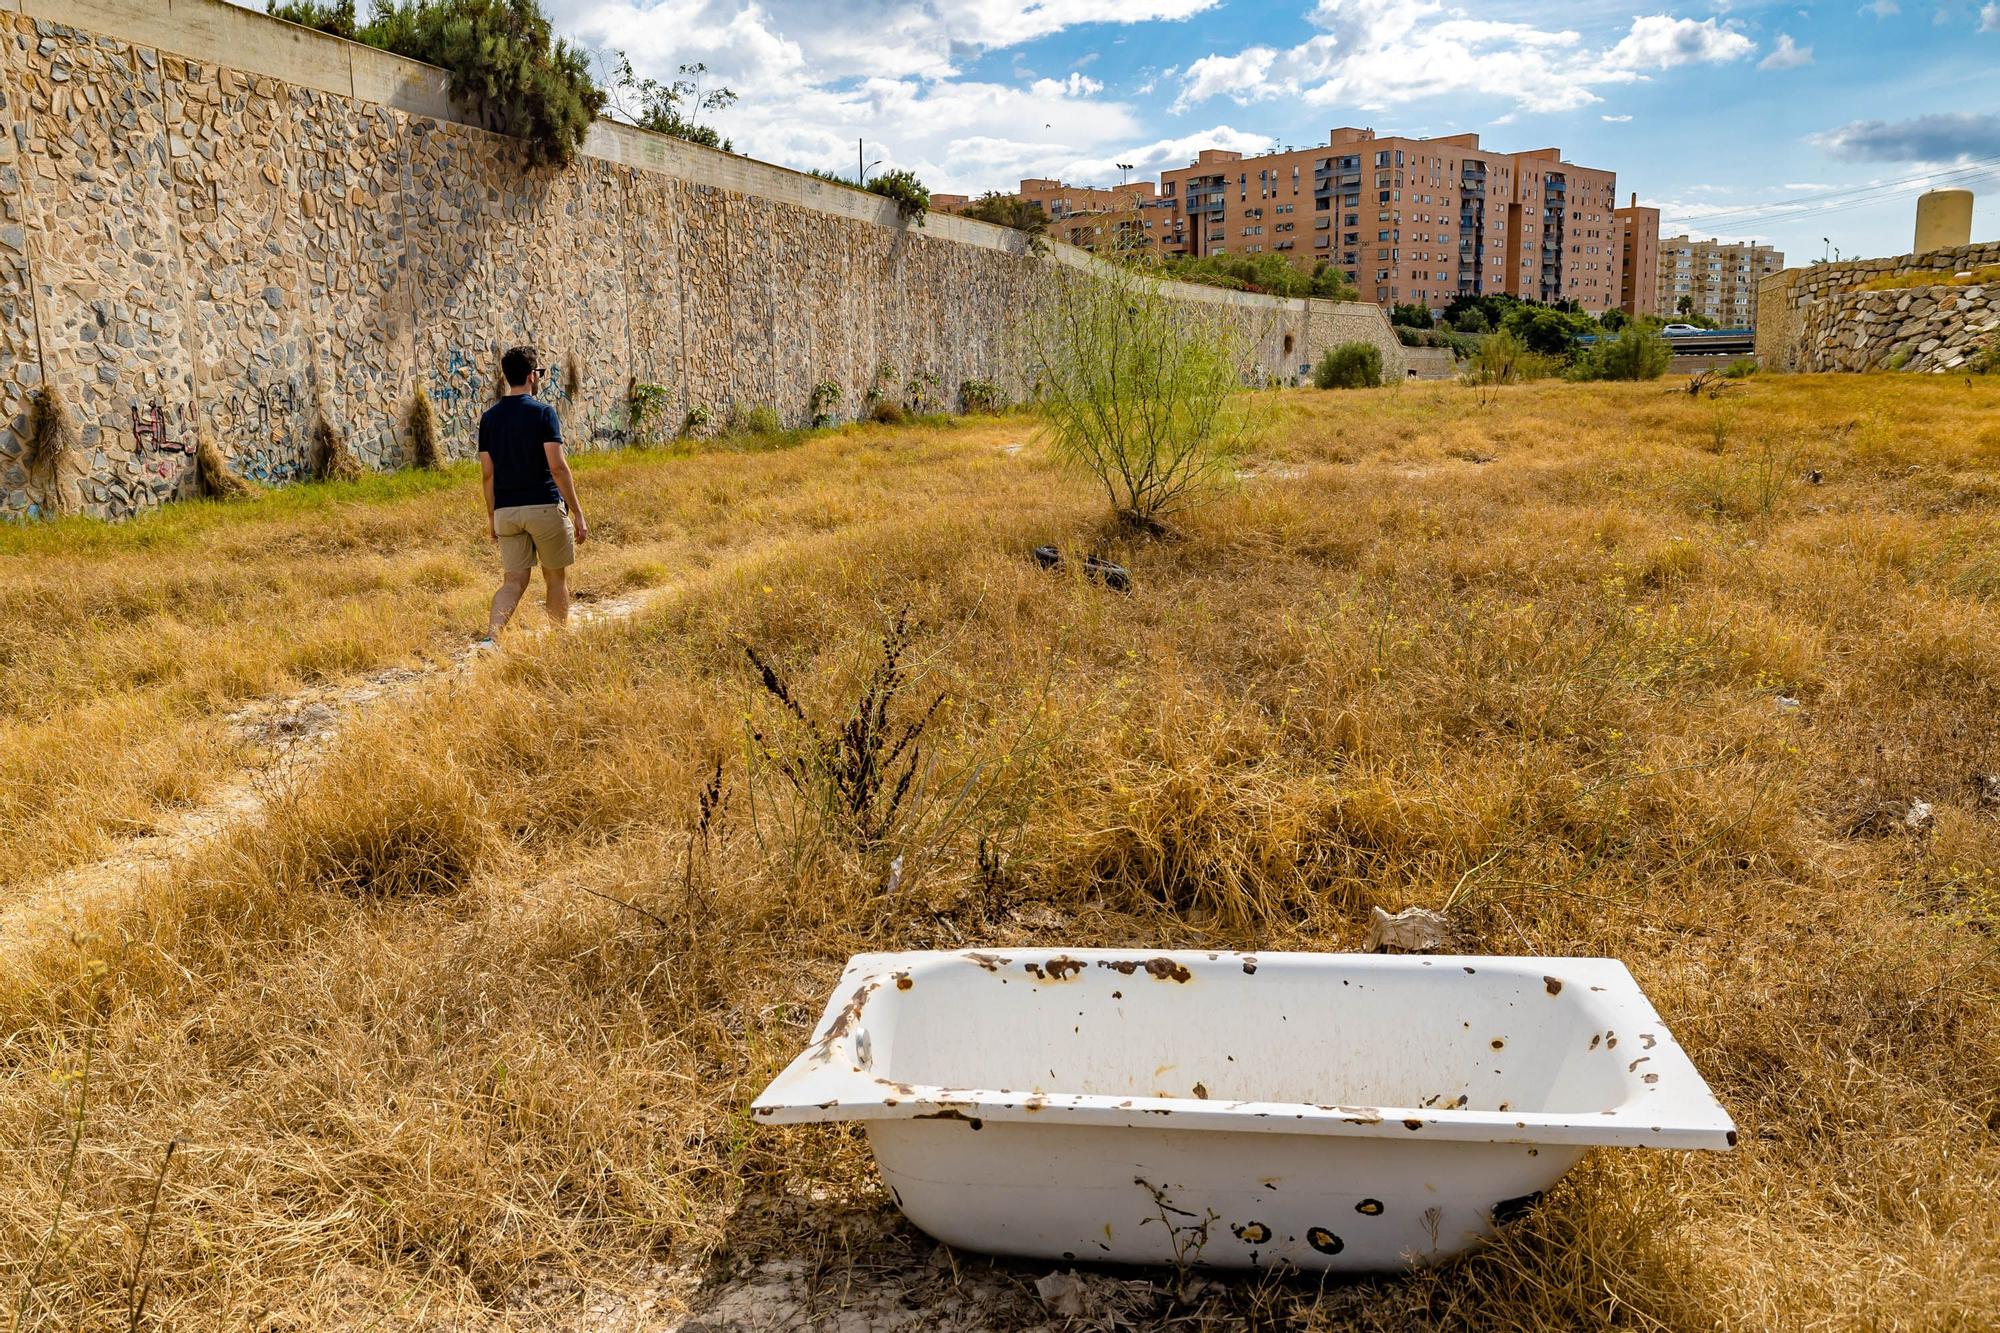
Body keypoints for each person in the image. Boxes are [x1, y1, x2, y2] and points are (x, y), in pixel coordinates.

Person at [477, 345, 587, 645]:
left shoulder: (488, 419)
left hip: (506, 513)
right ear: (530, 376)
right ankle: (558, 641)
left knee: (513, 581)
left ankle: (492, 639)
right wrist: (577, 511)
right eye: (539, 373)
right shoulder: (543, 413)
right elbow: (557, 468)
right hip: (543, 508)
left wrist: (492, 516)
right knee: (555, 577)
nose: (539, 378)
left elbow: (488, 474)